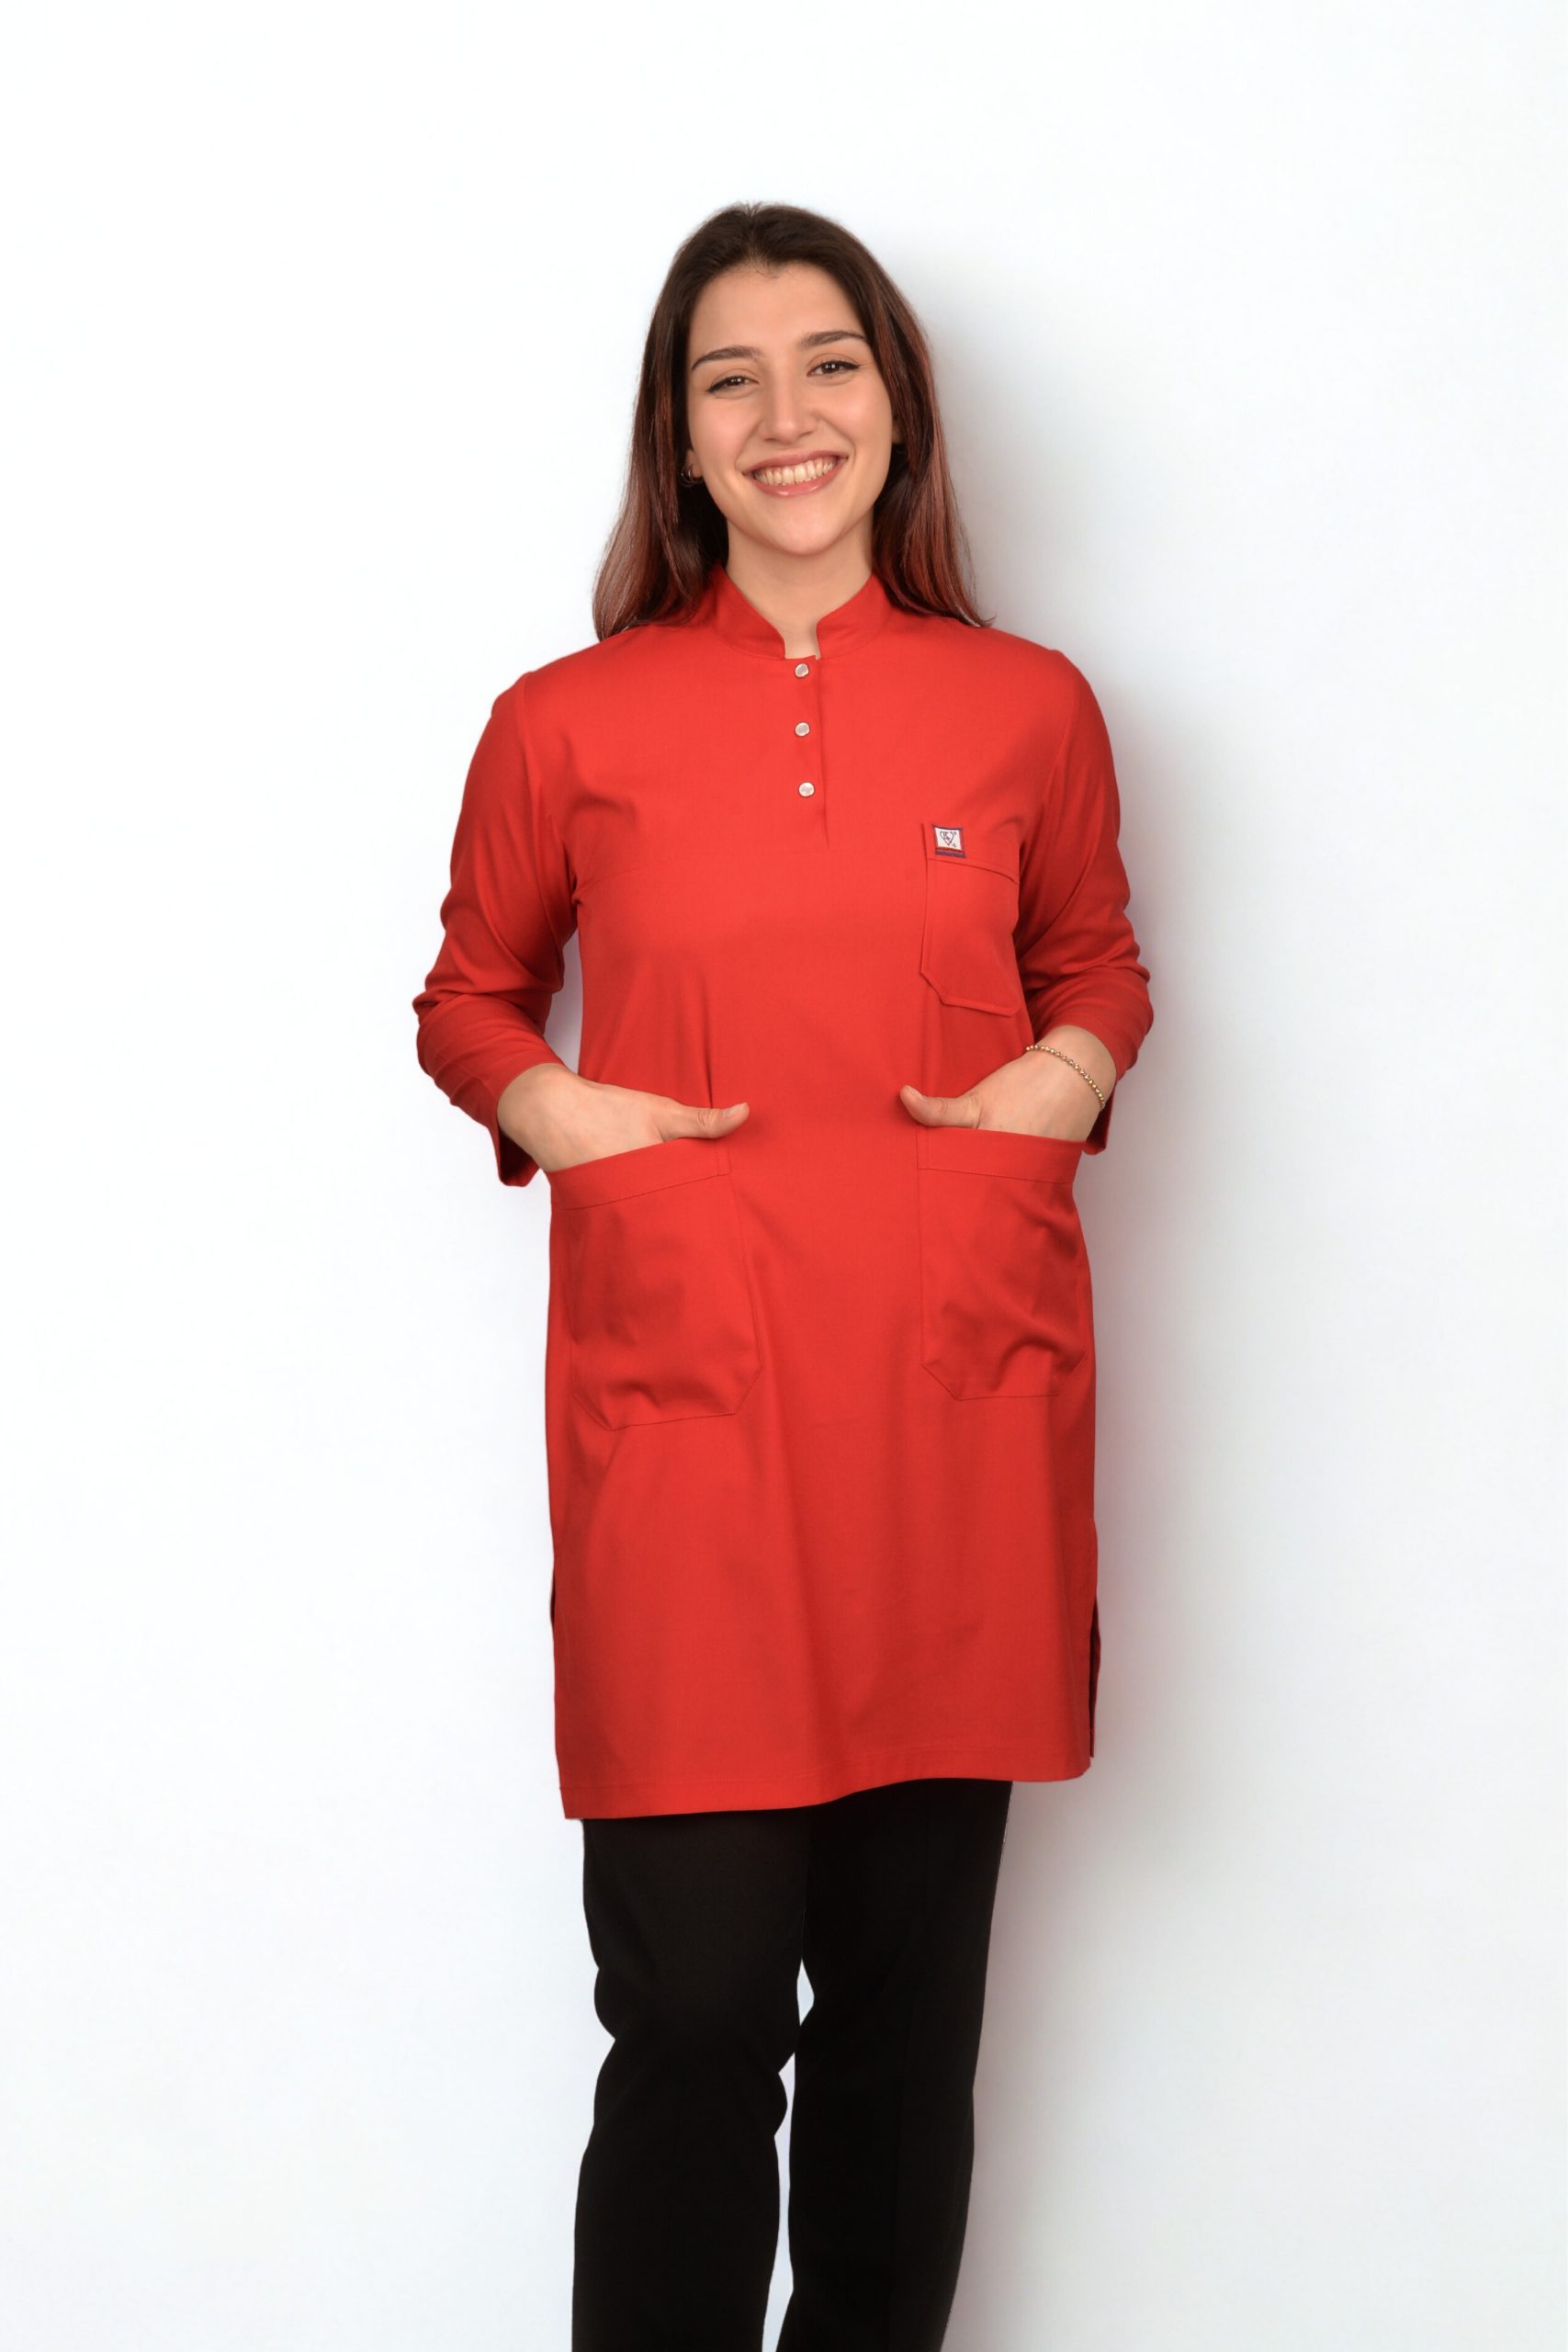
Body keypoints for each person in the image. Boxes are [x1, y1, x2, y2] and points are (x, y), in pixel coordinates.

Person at [412, 200, 1154, 2351]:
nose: (784, 414)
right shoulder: (566, 720)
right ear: (678, 435)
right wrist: (557, 1110)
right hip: (691, 1419)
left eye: (827, 362)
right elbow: (469, 994)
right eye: (727, 377)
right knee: (698, 2006)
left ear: (896, 404)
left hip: (947, 1409)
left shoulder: (1028, 707)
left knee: (904, 2031)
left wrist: (1062, 1073)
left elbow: (1093, 958)